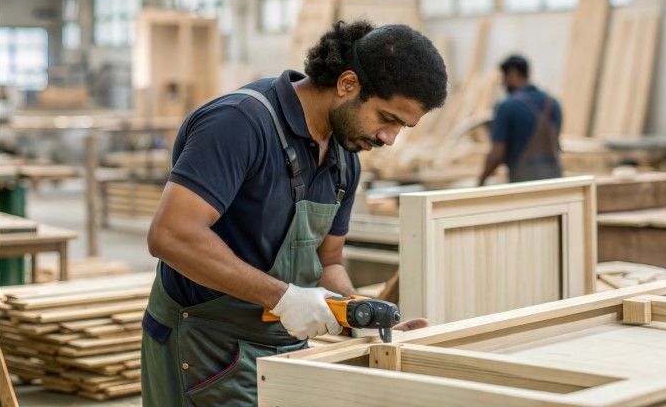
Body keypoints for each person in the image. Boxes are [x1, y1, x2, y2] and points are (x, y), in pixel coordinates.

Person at [140, 20, 447, 406]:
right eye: (387, 118)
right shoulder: (240, 123)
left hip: (287, 352)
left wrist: (359, 316)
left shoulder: (345, 158)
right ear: (347, 84)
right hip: (204, 347)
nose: (389, 138)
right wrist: (283, 297)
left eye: (403, 127)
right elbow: (171, 235)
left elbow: (328, 262)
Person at [478, 55, 562, 185]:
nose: (503, 84)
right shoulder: (554, 103)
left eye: (504, 78)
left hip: (525, 185)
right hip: (556, 182)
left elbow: (497, 154)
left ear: (513, 74)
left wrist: (481, 181)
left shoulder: (506, 107)